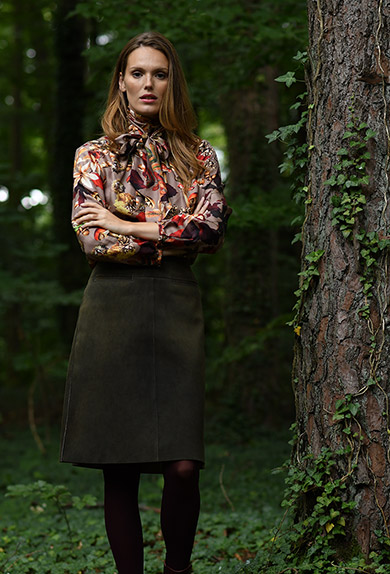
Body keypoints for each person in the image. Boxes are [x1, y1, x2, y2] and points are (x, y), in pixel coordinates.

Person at [60, 31, 231, 574]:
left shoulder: (201, 156)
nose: (148, 83)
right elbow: (93, 241)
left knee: (183, 465)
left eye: (159, 73)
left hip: (178, 307)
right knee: (121, 465)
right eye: (138, 72)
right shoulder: (94, 155)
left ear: (171, 81)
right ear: (121, 81)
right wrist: (160, 233)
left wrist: (123, 219)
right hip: (111, 307)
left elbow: (210, 232)